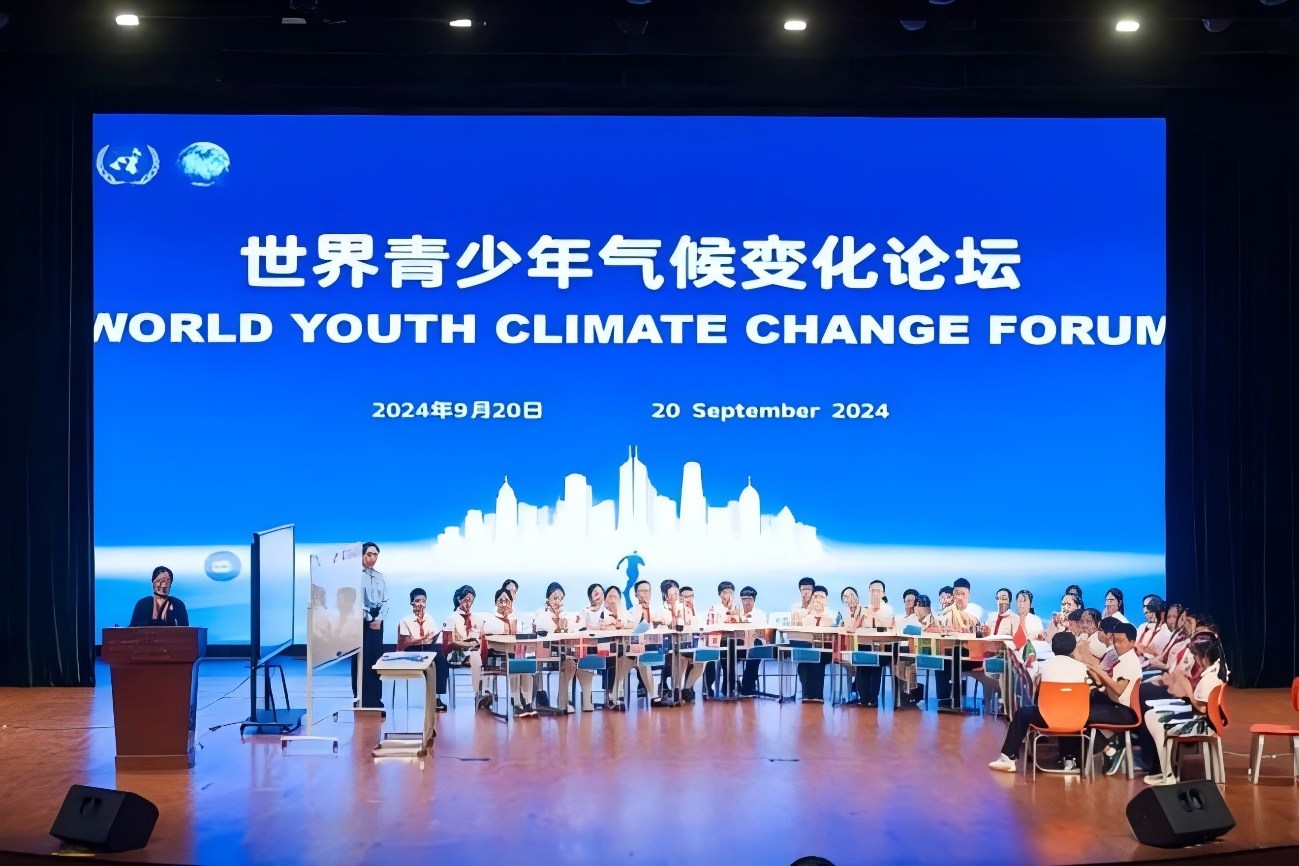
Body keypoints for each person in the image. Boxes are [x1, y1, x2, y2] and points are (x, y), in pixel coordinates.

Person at [988, 632, 1094, 772]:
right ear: (1074, 648)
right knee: (1070, 709)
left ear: (1052, 647)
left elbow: (1036, 691)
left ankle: (1008, 758)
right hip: (1077, 719)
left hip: (1048, 717)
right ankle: (1070, 758)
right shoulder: (1083, 668)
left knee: (1022, 713)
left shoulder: (1044, 667)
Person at [1142, 634, 1227, 785]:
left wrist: (1186, 689)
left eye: (1195, 655)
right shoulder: (1216, 671)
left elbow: (1201, 709)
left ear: (1203, 656)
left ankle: (1167, 773)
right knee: (1151, 715)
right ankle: (1163, 769)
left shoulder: (1210, 678)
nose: (1193, 658)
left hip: (1202, 724)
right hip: (1203, 720)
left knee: (1156, 721)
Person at [1085, 623, 1145, 775]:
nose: (1117, 645)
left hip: (1124, 711)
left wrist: (1099, 671)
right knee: (1089, 699)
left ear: (1132, 642)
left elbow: (1118, 689)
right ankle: (1113, 740)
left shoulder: (1129, 662)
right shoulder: (1123, 659)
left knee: (1080, 715)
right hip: (1117, 705)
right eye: (1115, 640)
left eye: (1121, 641)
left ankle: (1109, 748)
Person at [533, 582, 595, 712]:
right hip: (546, 652)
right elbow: (542, 629)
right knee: (567, 661)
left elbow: (574, 628)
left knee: (575, 661)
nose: (557, 601)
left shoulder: (566, 615)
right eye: (555, 598)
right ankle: (563, 702)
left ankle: (572, 702)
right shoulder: (541, 614)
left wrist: (568, 626)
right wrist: (556, 624)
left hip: (565, 652)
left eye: (560, 598)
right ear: (548, 599)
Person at [481, 588, 536, 717]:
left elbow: (519, 632)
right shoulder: (491, 617)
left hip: (513, 648)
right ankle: (516, 702)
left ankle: (527, 701)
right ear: (496, 602)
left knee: (525, 662)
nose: (504, 603)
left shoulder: (515, 616)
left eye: (507, 600)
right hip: (496, 652)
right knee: (515, 660)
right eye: (501, 600)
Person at [396, 587, 450, 712]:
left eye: (423, 601)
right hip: (412, 651)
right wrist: (420, 640)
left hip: (427, 648)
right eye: (417, 601)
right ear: (412, 603)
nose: (421, 604)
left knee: (441, 658)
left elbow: (433, 636)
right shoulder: (405, 621)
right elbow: (405, 642)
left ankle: (437, 697)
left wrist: (431, 639)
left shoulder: (429, 619)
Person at [355, 542, 388, 710]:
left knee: (376, 659)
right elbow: (356, 600)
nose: (373, 558)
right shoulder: (356, 576)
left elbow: (385, 600)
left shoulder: (379, 576)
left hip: (377, 622)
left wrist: (379, 618)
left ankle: (376, 698)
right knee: (362, 659)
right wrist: (368, 618)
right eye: (369, 554)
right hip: (360, 622)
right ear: (362, 555)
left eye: (375, 555)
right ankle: (360, 697)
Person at [447, 585, 491, 710]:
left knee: (486, 654)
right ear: (459, 599)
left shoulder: (475, 618)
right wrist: (468, 644)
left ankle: (486, 692)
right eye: (466, 600)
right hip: (457, 653)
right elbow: (451, 642)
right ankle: (478, 694)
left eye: (471, 601)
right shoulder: (452, 618)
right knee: (476, 657)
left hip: (472, 650)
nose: (468, 604)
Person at [791, 585, 834, 703]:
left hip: (825, 650)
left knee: (817, 658)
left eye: (821, 597)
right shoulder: (805, 617)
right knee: (806, 658)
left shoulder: (831, 616)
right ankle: (807, 694)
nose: (818, 600)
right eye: (816, 597)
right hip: (808, 649)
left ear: (826, 600)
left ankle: (817, 695)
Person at [737, 586, 768, 697]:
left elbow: (763, 634)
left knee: (756, 648)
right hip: (739, 645)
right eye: (744, 599)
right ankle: (730, 685)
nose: (747, 602)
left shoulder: (760, 614)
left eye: (750, 599)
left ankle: (747, 686)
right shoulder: (735, 613)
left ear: (754, 600)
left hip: (754, 645)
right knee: (727, 651)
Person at [1135, 595, 1172, 664]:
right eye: (1144, 607)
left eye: (1149, 607)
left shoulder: (1166, 631)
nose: (1145, 611)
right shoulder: (1142, 627)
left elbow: (1159, 656)